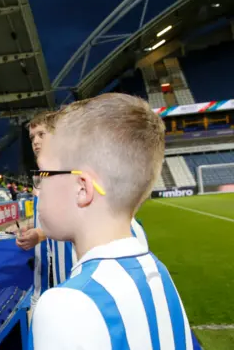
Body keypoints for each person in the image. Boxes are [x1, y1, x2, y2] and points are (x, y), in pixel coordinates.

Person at [29, 93, 192, 349]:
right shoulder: (158, 272)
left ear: (82, 188)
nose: (37, 188)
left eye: (43, 173)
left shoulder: (66, 306)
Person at [12, 110, 148, 312]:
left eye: (42, 134)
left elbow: (83, 218)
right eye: (32, 137)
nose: (36, 141)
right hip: (57, 277)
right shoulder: (46, 176)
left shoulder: (77, 172)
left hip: (84, 283)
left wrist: (40, 234)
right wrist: (34, 227)